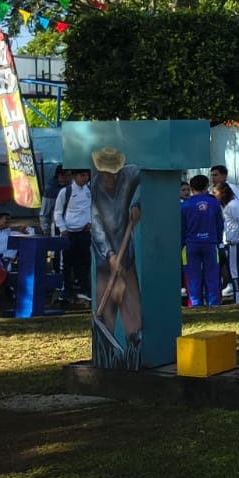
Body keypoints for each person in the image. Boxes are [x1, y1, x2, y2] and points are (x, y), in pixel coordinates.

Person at [90, 148, 144, 367]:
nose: (110, 177)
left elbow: (152, 180)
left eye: (113, 172)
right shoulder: (94, 188)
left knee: (131, 300)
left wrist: (138, 205)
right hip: (105, 256)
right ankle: (107, 351)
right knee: (108, 301)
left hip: (126, 250)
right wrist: (110, 255)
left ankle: (136, 344)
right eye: (105, 173)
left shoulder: (130, 174)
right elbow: (96, 226)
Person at [181, 173, 224, 307]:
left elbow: (182, 227)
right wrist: (216, 240)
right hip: (210, 244)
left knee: (193, 276)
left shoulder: (185, 205)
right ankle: (213, 302)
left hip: (191, 245)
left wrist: (183, 243)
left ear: (191, 187)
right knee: (212, 274)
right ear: (207, 186)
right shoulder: (214, 203)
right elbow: (220, 224)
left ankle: (195, 303)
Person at [53, 168, 93, 303]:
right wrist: (62, 228)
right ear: (75, 176)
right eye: (82, 175)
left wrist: (90, 222)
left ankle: (84, 289)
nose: (85, 178)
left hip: (84, 232)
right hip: (69, 232)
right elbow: (58, 212)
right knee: (66, 262)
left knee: (85, 261)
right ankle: (66, 290)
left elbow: (94, 208)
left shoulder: (90, 191)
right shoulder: (66, 192)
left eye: (87, 175)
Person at [217, 183, 239, 303]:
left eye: (216, 192)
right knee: (233, 270)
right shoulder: (229, 206)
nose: (214, 194)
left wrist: (234, 238)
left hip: (234, 243)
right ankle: (238, 296)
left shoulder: (233, 205)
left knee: (235, 270)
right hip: (231, 242)